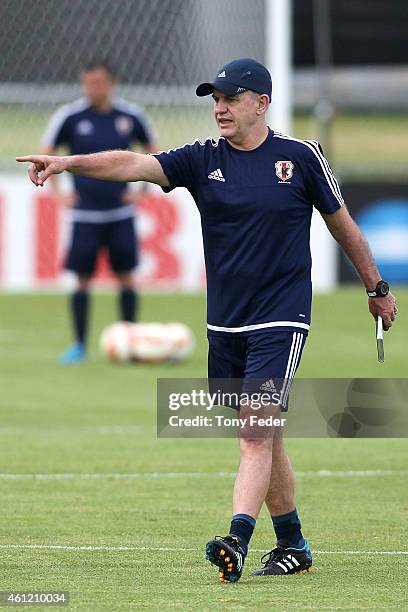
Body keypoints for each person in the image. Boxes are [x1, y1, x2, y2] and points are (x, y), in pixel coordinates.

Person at [17, 58, 397, 581]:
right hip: (225, 321)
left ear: (261, 103)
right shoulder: (200, 159)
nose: (219, 107)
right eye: (214, 98)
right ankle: (293, 543)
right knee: (266, 432)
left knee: (256, 431)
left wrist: (375, 287)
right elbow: (131, 164)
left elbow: (343, 226)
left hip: (282, 315)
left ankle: (236, 539)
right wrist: (67, 163)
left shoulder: (300, 158)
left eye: (230, 97)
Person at [41, 59, 157, 364]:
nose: (92, 88)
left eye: (98, 82)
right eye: (87, 82)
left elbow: (153, 149)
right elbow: (47, 152)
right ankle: (79, 345)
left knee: (127, 277)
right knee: (81, 279)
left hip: (120, 213)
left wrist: (143, 188)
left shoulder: (130, 116)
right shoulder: (70, 117)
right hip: (85, 215)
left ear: (111, 83)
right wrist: (58, 194)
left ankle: (131, 343)